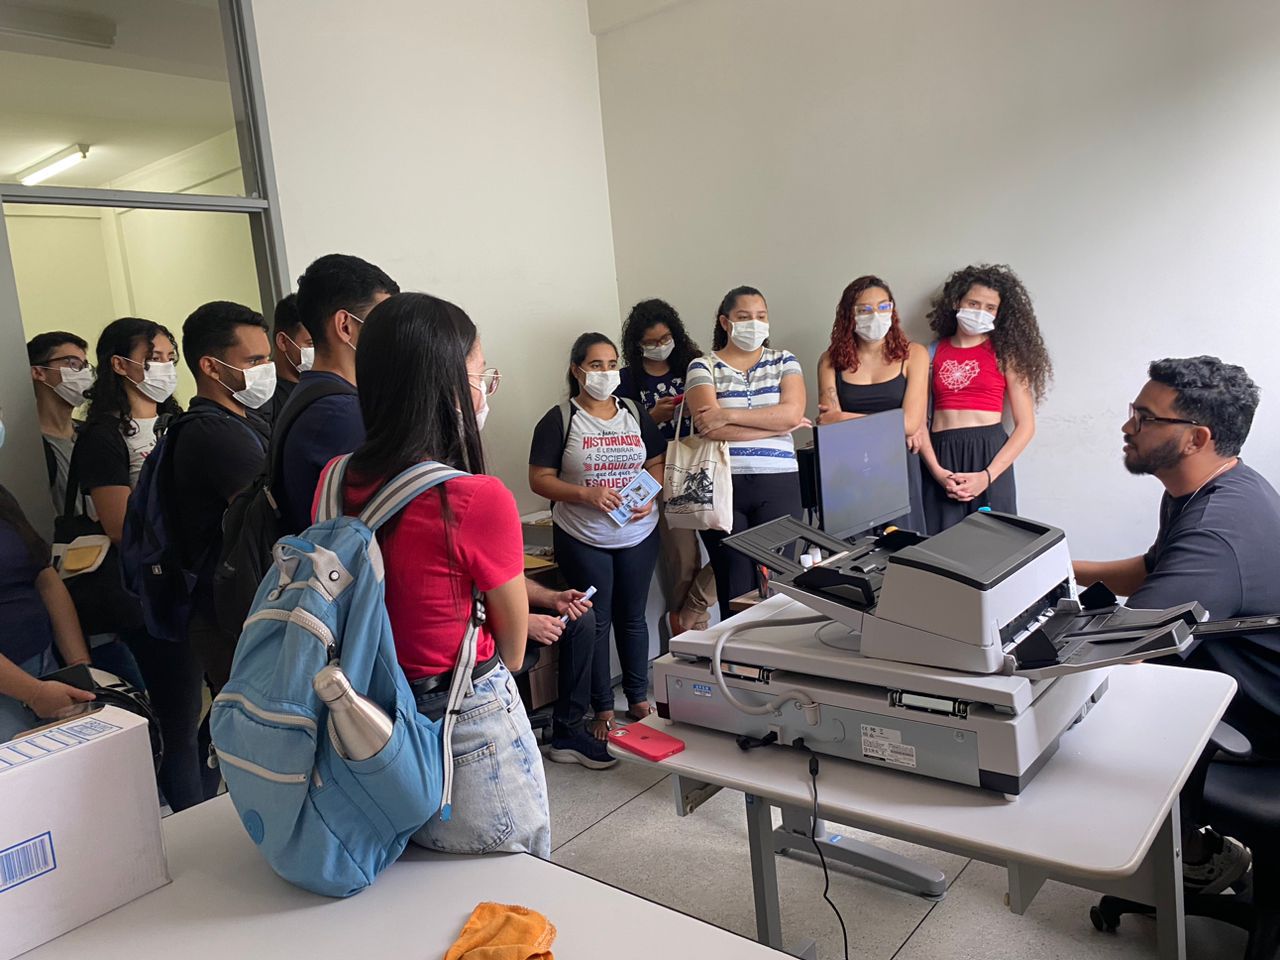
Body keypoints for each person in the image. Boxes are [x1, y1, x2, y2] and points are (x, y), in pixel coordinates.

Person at [316, 291, 550, 857]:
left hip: (361, 721)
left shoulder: (333, 478)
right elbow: (514, 649)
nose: (485, 389)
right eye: (480, 374)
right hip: (461, 727)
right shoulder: (475, 497)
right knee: (507, 893)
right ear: (446, 386)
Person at [1073, 357, 1280, 893]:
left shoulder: (1216, 531)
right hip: (1238, 684)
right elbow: (1153, 570)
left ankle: (1187, 853)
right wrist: (1060, 567)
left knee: (1084, 712)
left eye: (1145, 417)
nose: (1128, 426)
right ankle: (1192, 845)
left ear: (1196, 438)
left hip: (1262, 724)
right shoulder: (1213, 486)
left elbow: (1123, 648)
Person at [70, 317, 206, 811]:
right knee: (176, 716)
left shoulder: (180, 421)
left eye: (170, 358)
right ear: (120, 365)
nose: (164, 367)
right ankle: (187, 815)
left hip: (192, 580)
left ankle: (200, 800)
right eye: (153, 358)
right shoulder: (104, 435)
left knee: (202, 707)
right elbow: (117, 522)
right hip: (143, 593)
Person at [529, 333, 665, 740]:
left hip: (638, 533)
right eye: (595, 365)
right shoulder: (560, 419)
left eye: (611, 364)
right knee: (596, 621)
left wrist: (650, 495)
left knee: (633, 617)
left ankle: (638, 699)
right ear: (577, 371)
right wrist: (585, 494)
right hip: (583, 535)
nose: (606, 373)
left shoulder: (634, 412)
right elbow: (540, 479)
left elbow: (657, 461)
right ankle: (602, 708)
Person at [685, 286, 807, 621]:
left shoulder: (784, 360)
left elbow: (792, 414)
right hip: (724, 487)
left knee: (779, 584)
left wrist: (727, 414)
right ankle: (736, 655)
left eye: (760, 316)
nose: (754, 323)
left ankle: (779, 653)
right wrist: (776, 426)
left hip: (779, 484)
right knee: (735, 588)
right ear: (725, 322)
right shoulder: (702, 366)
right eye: (744, 317)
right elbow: (709, 428)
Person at [169, 302, 273, 692]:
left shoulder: (246, 421)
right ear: (211, 367)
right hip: (229, 615)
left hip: (242, 607)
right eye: (254, 361)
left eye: (267, 359)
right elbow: (268, 516)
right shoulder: (214, 433)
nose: (266, 370)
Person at [918, 264, 1051, 532]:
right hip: (941, 456)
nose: (980, 312)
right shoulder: (930, 352)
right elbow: (918, 422)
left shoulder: (1005, 355)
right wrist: (937, 472)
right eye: (973, 303)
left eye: (990, 308)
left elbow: (1026, 426)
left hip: (990, 455)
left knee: (996, 544)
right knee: (939, 546)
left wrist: (987, 476)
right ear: (956, 302)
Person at [276, 254, 399, 534]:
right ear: (345, 326)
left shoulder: (313, 393)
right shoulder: (341, 414)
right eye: (384, 323)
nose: (394, 335)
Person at [617, 298, 717, 637]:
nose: (660, 346)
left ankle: (692, 610)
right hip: (660, 470)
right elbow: (616, 430)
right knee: (683, 559)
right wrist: (652, 417)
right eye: (651, 342)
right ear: (637, 344)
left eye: (665, 338)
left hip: (704, 464)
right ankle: (692, 637)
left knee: (734, 547)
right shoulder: (627, 380)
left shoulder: (694, 366)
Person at [0, 411, 97, 743]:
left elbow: (44, 577)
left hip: (46, 667)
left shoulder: (2, 497)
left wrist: (78, 666)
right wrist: (33, 692)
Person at [816, 275, 930, 533]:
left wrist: (844, 417)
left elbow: (911, 424)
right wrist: (894, 424)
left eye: (883, 306)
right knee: (854, 548)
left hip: (898, 465)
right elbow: (827, 424)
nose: (876, 315)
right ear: (849, 315)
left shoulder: (914, 354)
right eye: (865, 310)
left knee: (902, 546)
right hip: (849, 468)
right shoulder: (829, 361)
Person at [523, 578, 613, 768]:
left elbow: (513, 580)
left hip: (505, 613)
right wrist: (522, 623)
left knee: (580, 618)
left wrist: (554, 599)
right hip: (473, 630)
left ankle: (568, 731)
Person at [27, 331, 94, 514]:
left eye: (85, 366)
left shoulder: (91, 434)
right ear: (38, 372)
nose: (83, 374)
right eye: (72, 364)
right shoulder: (28, 447)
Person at [259, 293, 313, 426]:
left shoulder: (324, 383)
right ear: (283, 341)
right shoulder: (264, 397)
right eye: (311, 344)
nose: (322, 350)